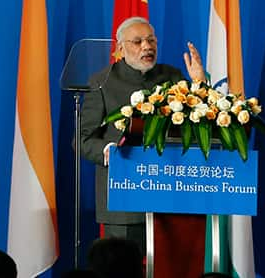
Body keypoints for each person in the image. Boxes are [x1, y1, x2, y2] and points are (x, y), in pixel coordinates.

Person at [79, 17, 206, 253]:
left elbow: (198, 122)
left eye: (151, 40)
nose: (147, 47)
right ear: (120, 49)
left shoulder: (172, 76)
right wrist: (107, 151)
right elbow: (82, 139)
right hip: (123, 199)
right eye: (137, 41)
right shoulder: (102, 82)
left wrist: (199, 83)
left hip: (170, 194)